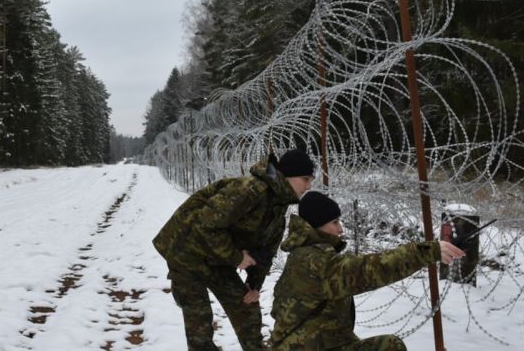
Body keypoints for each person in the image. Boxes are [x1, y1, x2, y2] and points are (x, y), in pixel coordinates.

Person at [153, 150, 316, 350]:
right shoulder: (249, 190)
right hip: (186, 252)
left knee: (246, 307)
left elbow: (265, 253)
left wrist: (254, 285)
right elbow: (206, 224)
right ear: (288, 175)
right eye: (305, 179)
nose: (309, 186)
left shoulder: (277, 209)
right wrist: (237, 257)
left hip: (218, 257)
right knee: (199, 322)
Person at [270, 191, 465, 351]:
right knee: (390, 347)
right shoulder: (315, 262)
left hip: (313, 344)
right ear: (317, 225)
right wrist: (427, 252)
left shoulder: (303, 254)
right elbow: (371, 269)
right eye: (335, 222)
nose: (340, 229)